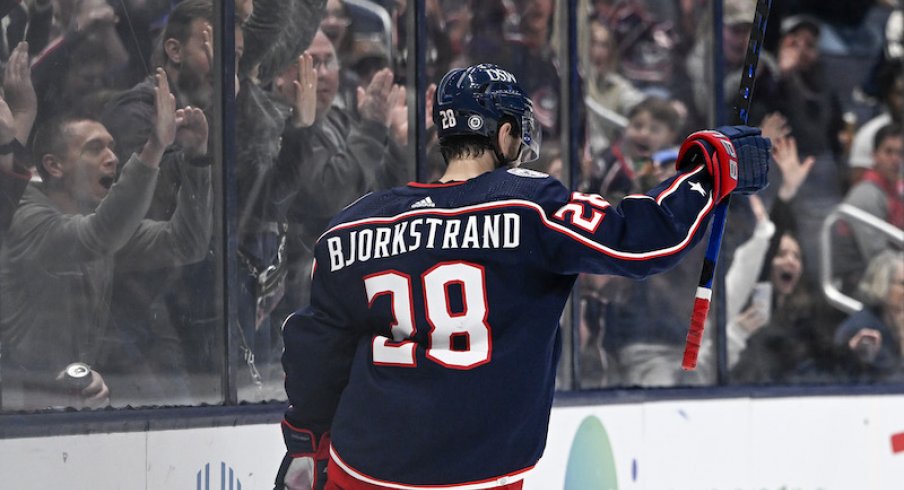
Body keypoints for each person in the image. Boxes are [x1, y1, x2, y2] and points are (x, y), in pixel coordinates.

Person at [275, 63, 770, 489]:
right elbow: (643, 242)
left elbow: (315, 347)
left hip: (364, 466)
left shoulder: (356, 224)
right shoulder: (530, 204)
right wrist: (709, 170)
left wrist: (306, 442)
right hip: (478, 472)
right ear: (505, 133)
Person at [0, 70, 211, 410]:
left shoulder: (97, 220)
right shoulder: (26, 217)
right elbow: (97, 236)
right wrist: (155, 147)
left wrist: (198, 158)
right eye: (94, 148)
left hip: (71, 396)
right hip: (14, 406)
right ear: (54, 166)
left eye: (112, 146)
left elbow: (186, 243)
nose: (112, 157)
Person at [834, 250, 904, 382]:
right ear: (883, 284)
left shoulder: (893, 321)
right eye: (903, 284)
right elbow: (892, 383)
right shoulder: (863, 329)